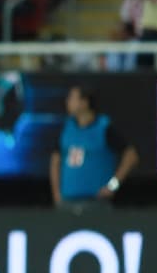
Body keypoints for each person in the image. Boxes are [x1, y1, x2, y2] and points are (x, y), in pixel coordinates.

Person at [49, 86, 139, 214]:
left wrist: (113, 185)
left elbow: (131, 156)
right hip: (67, 202)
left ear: (84, 102)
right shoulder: (66, 128)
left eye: (72, 98)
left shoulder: (104, 128)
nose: (67, 102)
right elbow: (55, 160)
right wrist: (56, 194)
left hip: (96, 203)